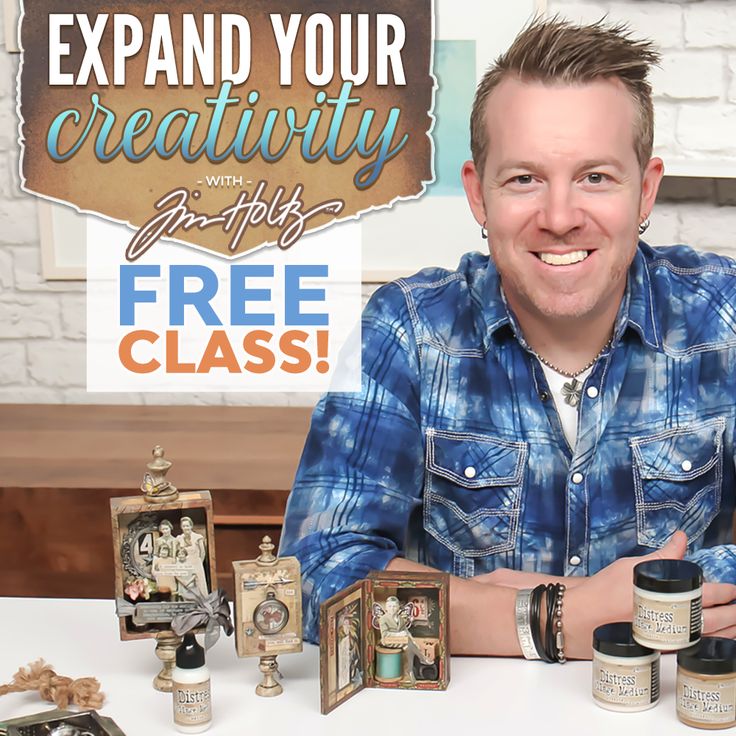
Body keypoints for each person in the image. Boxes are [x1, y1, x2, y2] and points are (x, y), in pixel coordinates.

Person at [279, 17, 736, 659]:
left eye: (595, 178)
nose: (558, 217)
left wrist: (496, 605)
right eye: (524, 179)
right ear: (478, 194)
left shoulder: (725, 314)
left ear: (646, 190)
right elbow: (313, 575)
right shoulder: (406, 329)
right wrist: (553, 616)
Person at [176, 516, 208, 595]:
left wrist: (199, 562)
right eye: (184, 526)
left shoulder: (198, 537)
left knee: (200, 585)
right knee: (187, 586)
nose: (186, 528)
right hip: (185, 565)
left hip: (197, 563)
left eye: (187, 526)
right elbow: (177, 552)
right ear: (181, 527)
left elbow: (203, 552)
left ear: (191, 526)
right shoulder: (179, 538)